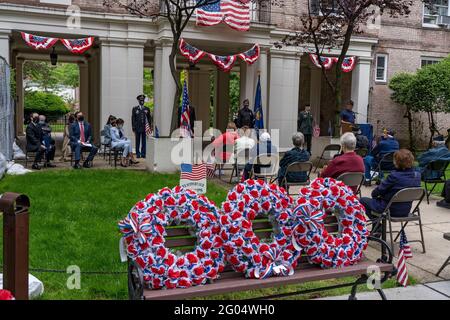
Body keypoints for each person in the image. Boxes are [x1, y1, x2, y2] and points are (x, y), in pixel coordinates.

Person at [360, 149, 421, 223]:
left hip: (389, 209)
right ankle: (377, 226)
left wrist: (378, 196)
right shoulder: (417, 175)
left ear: (396, 162)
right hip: (405, 210)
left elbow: (377, 192)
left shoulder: (394, 176)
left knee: (362, 200)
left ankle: (377, 225)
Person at [132, 94, 152, 159]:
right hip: (137, 128)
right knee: (137, 141)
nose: (142, 101)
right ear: (138, 100)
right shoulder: (135, 109)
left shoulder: (147, 109)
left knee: (144, 141)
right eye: (140, 100)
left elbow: (149, 119)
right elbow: (133, 118)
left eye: (143, 100)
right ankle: (138, 153)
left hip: (145, 128)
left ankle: (143, 153)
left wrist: (150, 127)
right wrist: (133, 127)